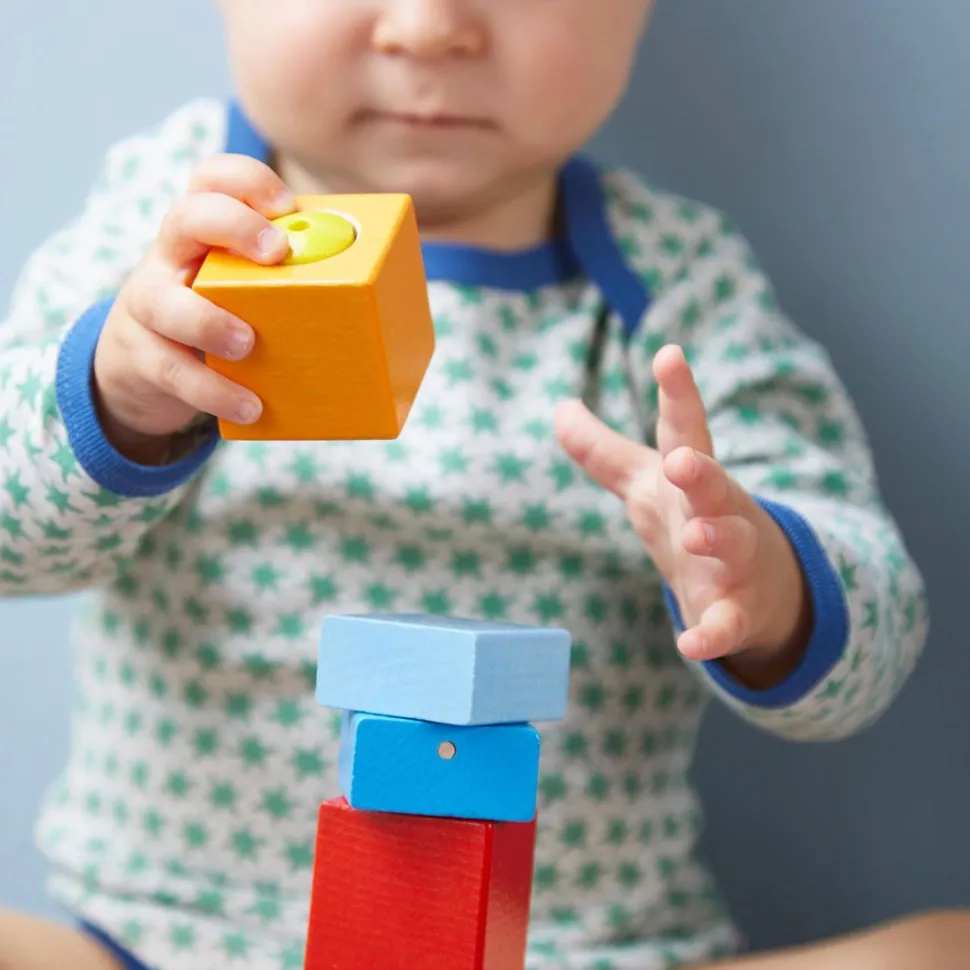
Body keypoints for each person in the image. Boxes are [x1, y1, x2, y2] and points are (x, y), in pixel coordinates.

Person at [0, 1, 966, 968]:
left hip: (577, 950)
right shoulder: (163, 226)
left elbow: (871, 645)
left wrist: (766, 583)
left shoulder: (674, 281)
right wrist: (115, 396)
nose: (428, 29)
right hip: (167, 944)